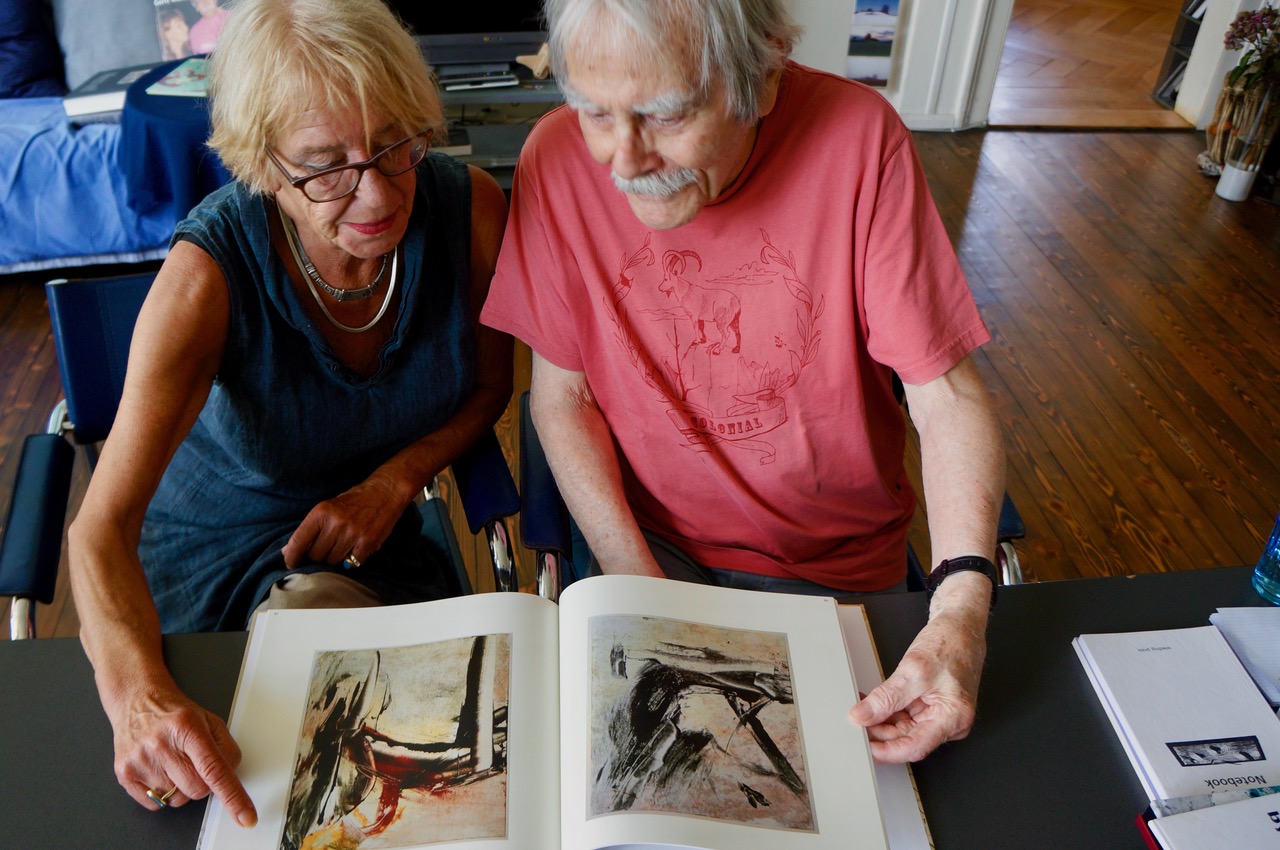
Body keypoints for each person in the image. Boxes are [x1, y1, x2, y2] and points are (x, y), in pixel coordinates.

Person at [481, 0, 1004, 765]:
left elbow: (944, 394)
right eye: (595, 111)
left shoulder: (858, 140)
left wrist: (961, 607)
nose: (622, 161)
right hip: (650, 549)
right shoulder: (555, 160)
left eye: (664, 115)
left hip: (835, 569)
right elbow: (564, 397)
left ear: (761, 77)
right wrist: (640, 586)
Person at [67, 0, 511, 828]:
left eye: (391, 144)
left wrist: (395, 481)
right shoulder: (209, 277)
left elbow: (489, 389)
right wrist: (135, 700)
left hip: (373, 544)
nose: (376, 191)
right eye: (326, 165)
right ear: (263, 164)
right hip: (219, 559)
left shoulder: (469, 211)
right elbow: (96, 532)